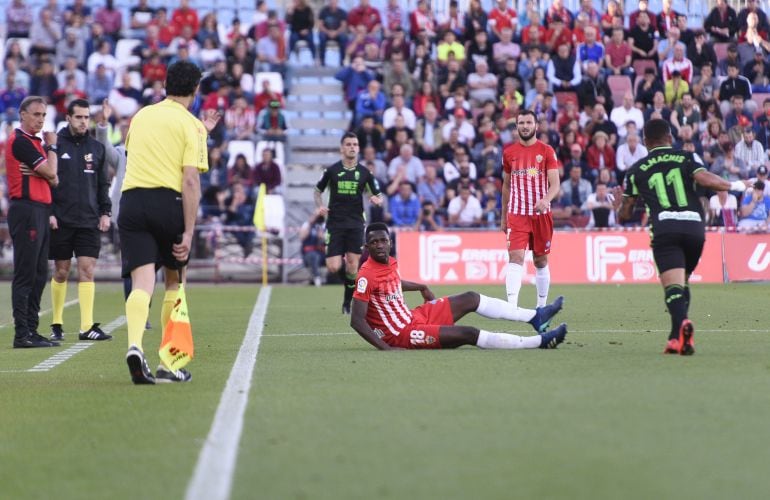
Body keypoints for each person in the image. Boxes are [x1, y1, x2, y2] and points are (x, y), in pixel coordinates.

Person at [120, 61, 220, 384]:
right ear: (196, 89)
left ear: (165, 85)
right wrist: (189, 233)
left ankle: (135, 345)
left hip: (132, 201)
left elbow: (134, 153)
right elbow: (190, 181)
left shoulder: (142, 116)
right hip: (168, 202)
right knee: (174, 282)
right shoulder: (191, 126)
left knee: (141, 282)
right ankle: (168, 362)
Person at [614, 119, 750, 355]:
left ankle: (684, 323)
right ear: (670, 137)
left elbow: (625, 215)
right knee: (682, 281)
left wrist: (619, 206)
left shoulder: (636, 170)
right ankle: (676, 338)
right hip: (695, 229)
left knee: (673, 287)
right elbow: (705, 178)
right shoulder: (686, 158)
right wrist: (737, 185)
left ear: (645, 142)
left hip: (666, 228)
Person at [350, 223, 567, 351]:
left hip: (415, 316)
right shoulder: (366, 275)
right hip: (403, 334)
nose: (380, 245)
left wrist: (420, 287)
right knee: (468, 333)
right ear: (367, 247)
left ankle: (535, 317)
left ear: (389, 242)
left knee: (471, 297)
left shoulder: (390, 261)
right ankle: (539, 342)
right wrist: (386, 348)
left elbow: (393, 285)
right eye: (375, 242)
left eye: (383, 240)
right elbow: (356, 320)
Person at [48, 99, 112, 342]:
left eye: (86, 117)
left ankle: (86, 327)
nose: (84, 121)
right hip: (61, 220)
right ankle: (56, 322)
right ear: (69, 118)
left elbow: (102, 184)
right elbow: (47, 182)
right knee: (62, 271)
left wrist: (105, 212)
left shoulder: (97, 148)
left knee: (87, 270)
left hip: (88, 220)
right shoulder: (55, 145)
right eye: (79, 117)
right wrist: (50, 211)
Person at [6, 97, 60, 348]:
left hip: (39, 209)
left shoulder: (33, 143)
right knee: (27, 273)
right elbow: (51, 173)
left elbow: (53, 178)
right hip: (26, 209)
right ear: (22, 115)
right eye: (36, 114)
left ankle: (32, 330)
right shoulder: (21, 142)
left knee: (40, 273)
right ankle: (22, 333)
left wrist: (49, 168)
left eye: (43, 115)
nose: (40, 119)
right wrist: (53, 149)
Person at [501, 110, 562, 321]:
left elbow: (555, 183)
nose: (525, 126)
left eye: (528, 122)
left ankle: (541, 307)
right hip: (517, 214)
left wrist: (546, 199)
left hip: (541, 215)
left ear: (536, 125)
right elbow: (506, 186)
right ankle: (511, 308)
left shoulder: (546, 151)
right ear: (516, 126)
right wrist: (503, 216)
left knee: (540, 261)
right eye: (521, 123)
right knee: (515, 257)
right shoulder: (509, 153)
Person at [314, 132, 383, 315]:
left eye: (355, 144)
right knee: (333, 266)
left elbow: (377, 193)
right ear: (342, 148)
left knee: (353, 265)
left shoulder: (365, 173)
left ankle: (347, 302)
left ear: (358, 148)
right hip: (335, 223)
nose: (352, 147)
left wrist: (377, 199)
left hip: (355, 223)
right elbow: (317, 191)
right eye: (348, 144)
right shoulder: (332, 171)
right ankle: (349, 286)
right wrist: (320, 206)